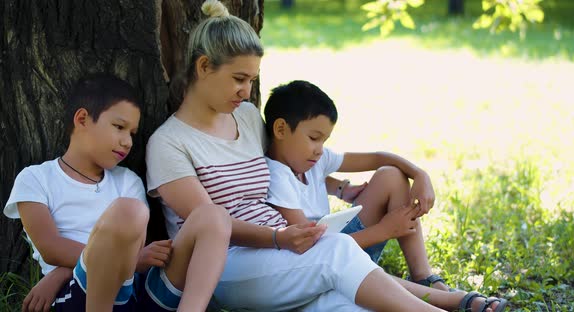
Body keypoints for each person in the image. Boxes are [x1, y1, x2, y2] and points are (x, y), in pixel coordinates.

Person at [145, 1, 508, 311]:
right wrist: (278, 238)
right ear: (204, 67)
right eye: (239, 79)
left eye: (252, 80)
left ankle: (454, 300)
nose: (247, 91)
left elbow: (285, 162)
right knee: (335, 252)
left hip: (284, 252)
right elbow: (209, 224)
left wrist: (335, 187)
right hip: (225, 266)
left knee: (342, 300)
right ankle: (446, 303)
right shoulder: (169, 143)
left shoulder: (245, 116)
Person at [3, 73, 231, 312]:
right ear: (82, 119)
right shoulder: (36, 178)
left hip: (133, 289)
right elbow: (50, 248)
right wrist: (132, 260)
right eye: (119, 127)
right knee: (128, 210)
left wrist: (131, 261)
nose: (128, 142)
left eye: (132, 133)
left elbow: (132, 250)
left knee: (213, 215)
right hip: (80, 293)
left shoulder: (127, 181)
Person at [263, 79, 450, 289]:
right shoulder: (276, 177)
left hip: (342, 242)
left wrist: (419, 174)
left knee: (391, 176)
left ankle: (423, 276)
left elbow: (379, 158)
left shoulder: (314, 161)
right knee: (330, 249)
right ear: (280, 129)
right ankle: (426, 291)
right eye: (314, 138)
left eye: (324, 141)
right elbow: (313, 248)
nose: (320, 149)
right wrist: (384, 230)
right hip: (321, 263)